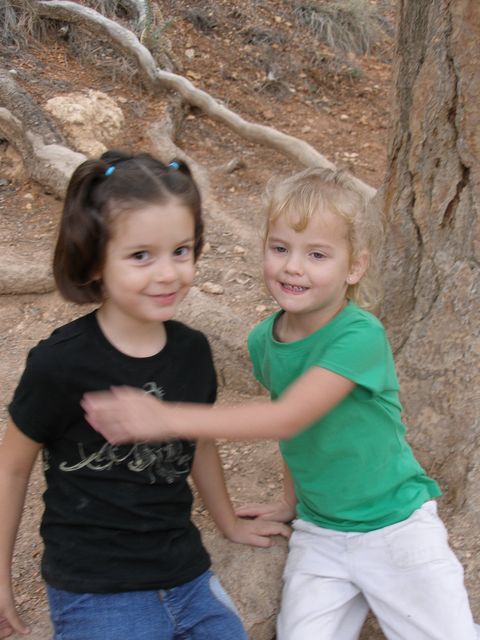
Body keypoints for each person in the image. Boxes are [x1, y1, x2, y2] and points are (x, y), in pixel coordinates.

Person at [83, 166, 480, 640]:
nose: (293, 266)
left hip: (395, 527)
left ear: (354, 267)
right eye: (279, 248)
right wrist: (291, 503)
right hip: (321, 533)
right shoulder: (263, 340)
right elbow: (297, 433)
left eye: (317, 254)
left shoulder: (360, 336)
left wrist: (165, 417)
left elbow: (287, 418)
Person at [0, 151, 290, 640]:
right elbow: (11, 468)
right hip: (96, 589)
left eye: (181, 250)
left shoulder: (192, 351)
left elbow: (198, 440)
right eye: (141, 256)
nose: (168, 273)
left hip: (185, 574)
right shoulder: (59, 363)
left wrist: (228, 522)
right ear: (95, 260)